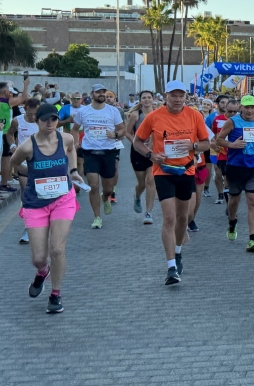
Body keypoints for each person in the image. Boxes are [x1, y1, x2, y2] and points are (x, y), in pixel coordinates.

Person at [133, 81, 209, 285]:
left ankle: (178, 252)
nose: (177, 99)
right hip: (163, 172)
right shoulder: (154, 117)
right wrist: (151, 155)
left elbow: (206, 143)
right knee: (169, 218)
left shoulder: (195, 115)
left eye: (181, 95)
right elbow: (137, 142)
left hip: (186, 170)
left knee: (183, 217)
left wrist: (193, 145)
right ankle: (171, 267)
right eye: (173, 95)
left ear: (186, 97)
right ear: (166, 96)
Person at [10, 103, 84, 314]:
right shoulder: (28, 146)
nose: (50, 123)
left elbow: (71, 150)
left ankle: (55, 294)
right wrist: (32, 173)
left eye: (54, 119)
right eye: (45, 120)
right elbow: (15, 163)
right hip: (36, 202)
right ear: (37, 121)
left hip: (63, 199)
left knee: (57, 249)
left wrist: (73, 170)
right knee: (38, 258)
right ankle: (43, 271)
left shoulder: (65, 139)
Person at [71, 84, 126, 229]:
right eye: (98, 92)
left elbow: (122, 130)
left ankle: (105, 197)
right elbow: (75, 129)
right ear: (92, 94)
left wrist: (115, 134)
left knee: (108, 188)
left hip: (108, 152)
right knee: (94, 185)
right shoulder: (83, 112)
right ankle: (97, 217)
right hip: (90, 152)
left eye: (103, 92)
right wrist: (76, 142)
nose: (101, 94)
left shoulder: (113, 111)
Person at [216, 95, 254, 251]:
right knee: (234, 200)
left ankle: (253, 237)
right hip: (236, 166)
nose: (250, 110)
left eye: (252, 107)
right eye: (247, 107)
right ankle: (232, 221)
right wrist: (232, 144)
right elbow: (219, 139)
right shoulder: (233, 122)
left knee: (253, 201)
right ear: (241, 107)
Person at [7, 97, 41, 243]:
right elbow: (9, 134)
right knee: (26, 193)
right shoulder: (17, 121)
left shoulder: (44, 121)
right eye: (29, 114)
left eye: (35, 114)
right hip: (24, 163)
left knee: (40, 195)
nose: (33, 117)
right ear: (25, 110)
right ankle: (28, 228)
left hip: (41, 163)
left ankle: (42, 224)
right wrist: (12, 146)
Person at [125, 91, 157, 225]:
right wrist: (137, 143)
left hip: (154, 151)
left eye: (149, 97)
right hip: (138, 151)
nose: (147, 100)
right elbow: (127, 132)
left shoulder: (158, 114)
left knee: (150, 180)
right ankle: (137, 195)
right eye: (144, 98)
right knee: (142, 183)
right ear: (140, 100)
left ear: (153, 99)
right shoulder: (135, 115)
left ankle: (148, 212)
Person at [1, 79, 28, 191]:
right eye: (9, 90)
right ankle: (4, 183)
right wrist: (26, 85)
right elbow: (24, 97)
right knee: (6, 159)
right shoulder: (8, 102)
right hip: (4, 133)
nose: (10, 93)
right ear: (5, 91)